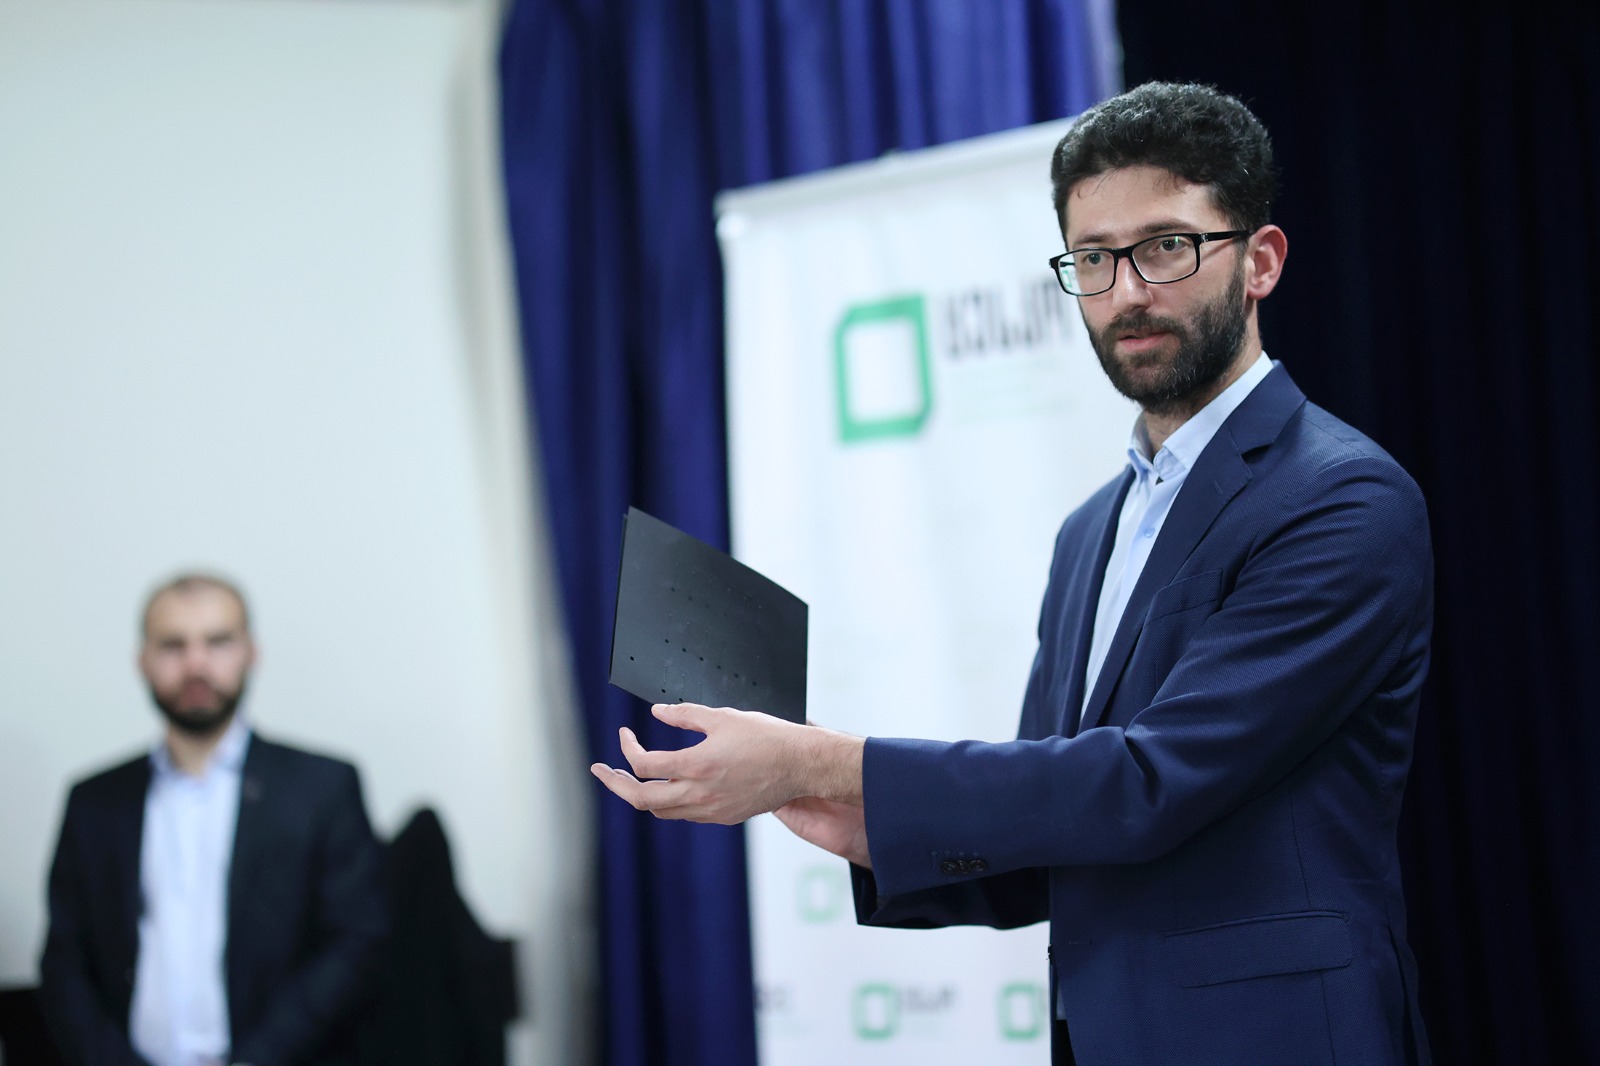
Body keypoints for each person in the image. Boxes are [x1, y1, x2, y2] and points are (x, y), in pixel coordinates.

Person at [592, 81, 1434, 1065]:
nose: (1126, 292)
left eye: (1165, 246)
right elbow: (1059, 826)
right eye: (1093, 258)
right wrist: (852, 822)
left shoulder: (1342, 498)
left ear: (1260, 261)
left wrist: (824, 762)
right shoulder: (1090, 531)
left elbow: (1146, 783)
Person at [39, 573, 387, 1066]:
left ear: (250, 653)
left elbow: (356, 943)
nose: (196, 664)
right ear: (143, 661)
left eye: (218, 642)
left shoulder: (320, 789)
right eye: (173, 645)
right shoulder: (95, 803)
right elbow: (64, 962)